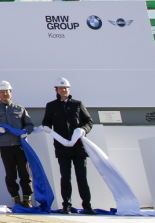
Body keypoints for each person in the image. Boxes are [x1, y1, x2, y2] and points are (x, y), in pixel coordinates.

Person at [42, 77, 96, 215]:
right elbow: (46, 122)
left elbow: (89, 121)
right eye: (60, 88)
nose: (63, 90)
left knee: (82, 178)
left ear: (69, 89)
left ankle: (87, 206)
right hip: (62, 148)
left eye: (65, 88)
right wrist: (47, 128)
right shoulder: (51, 106)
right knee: (65, 178)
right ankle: (66, 205)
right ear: (56, 90)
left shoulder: (78, 104)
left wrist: (83, 129)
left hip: (79, 147)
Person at [0, 81, 34, 208]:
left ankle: (27, 199)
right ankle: (16, 199)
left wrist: (25, 132)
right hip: (5, 147)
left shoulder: (20, 109)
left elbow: (29, 124)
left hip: (20, 146)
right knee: (10, 174)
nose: (5, 94)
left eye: (7, 92)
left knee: (25, 174)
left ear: (11, 93)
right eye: (2, 92)